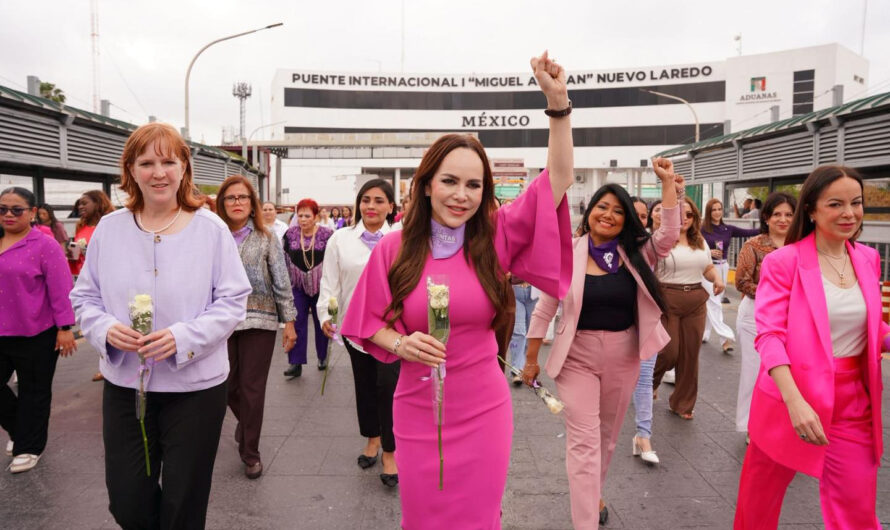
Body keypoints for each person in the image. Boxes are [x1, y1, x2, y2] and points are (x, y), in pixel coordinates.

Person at [340, 51, 573, 529]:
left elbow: (558, 180)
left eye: (473, 184)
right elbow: (366, 321)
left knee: (479, 517)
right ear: (426, 185)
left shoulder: (495, 236)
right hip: (415, 408)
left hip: (484, 408)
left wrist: (558, 106)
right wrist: (401, 343)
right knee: (422, 517)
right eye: (449, 181)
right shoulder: (394, 248)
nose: (461, 195)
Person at [70, 122, 251, 529]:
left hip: (195, 389)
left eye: (168, 162)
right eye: (146, 163)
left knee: (184, 501)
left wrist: (182, 337)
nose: (158, 173)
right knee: (127, 501)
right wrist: (104, 329)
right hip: (126, 385)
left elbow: (232, 300)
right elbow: (84, 297)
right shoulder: (110, 229)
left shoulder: (210, 228)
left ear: (184, 167)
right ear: (130, 171)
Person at [523, 162, 683, 529]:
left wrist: (667, 185)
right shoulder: (569, 252)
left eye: (617, 210)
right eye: (602, 206)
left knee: (607, 438)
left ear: (627, 220)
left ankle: (592, 492)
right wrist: (531, 359)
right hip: (576, 357)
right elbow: (545, 307)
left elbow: (669, 233)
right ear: (589, 211)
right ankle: (586, 522)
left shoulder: (637, 252)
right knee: (583, 441)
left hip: (624, 355)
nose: (608, 215)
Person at [734, 166, 889, 529]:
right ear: (812, 210)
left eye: (856, 203)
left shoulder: (868, 259)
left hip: (854, 400)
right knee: (758, 506)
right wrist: (795, 402)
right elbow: (769, 335)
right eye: (835, 204)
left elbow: (871, 328)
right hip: (790, 395)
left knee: (857, 508)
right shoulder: (783, 262)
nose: (849, 213)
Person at [317, 179, 400, 487]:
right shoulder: (341, 239)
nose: (371, 206)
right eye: (366, 200)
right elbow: (330, 283)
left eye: (379, 200)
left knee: (388, 388)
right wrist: (327, 315)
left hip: (392, 330)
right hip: (355, 328)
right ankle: (372, 438)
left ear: (390, 207)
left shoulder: (401, 239)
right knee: (364, 385)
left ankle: (390, 450)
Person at [217, 176, 297, 479]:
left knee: (252, 389)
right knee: (225, 386)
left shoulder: (266, 238)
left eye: (243, 197)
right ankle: (246, 422)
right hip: (221, 322)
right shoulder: (214, 236)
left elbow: (281, 281)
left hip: (260, 320)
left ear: (252, 204)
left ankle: (251, 453)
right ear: (222, 204)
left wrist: (289, 322)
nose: (237, 202)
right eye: (231, 198)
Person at [0, 187, 77, 473]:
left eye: (16, 209)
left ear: (32, 212)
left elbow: (61, 288)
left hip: (36, 331)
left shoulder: (44, 245)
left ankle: (29, 447)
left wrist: (65, 327)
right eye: (2, 209)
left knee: (34, 391)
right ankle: (20, 431)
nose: (8, 214)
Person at [652, 197, 725, 420]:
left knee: (690, 355)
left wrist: (717, 279)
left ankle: (682, 404)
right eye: (679, 214)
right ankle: (647, 384)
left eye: (689, 214)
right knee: (668, 352)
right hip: (667, 299)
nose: (684, 218)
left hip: (695, 300)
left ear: (695, 218)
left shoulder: (699, 241)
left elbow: (707, 267)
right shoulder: (661, 239)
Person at [733, 192, 796, 439]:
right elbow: (741, 282)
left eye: (789, 214)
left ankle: (781, 425)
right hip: (755, 316)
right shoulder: (754, 245)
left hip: (792, 318)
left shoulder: (802, 245)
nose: (783, 219)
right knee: (755, 371)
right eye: (777, 214)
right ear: (766, 217)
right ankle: (751, 426)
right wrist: (776, 295)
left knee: (787, 373)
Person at [627, 195, 661, 465]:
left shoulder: (650, 246)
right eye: (633, 215)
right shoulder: (606, 245)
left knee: (645, 378)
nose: (639, 221)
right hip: (614, 326)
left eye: (643, 216)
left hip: (647, 323)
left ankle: (643, 435)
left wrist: (673, 189)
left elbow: (671, 229)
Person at [700, 198, 760, 352]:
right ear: (708, 212)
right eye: (713, 210)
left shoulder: (728, 229)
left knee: (713, 302)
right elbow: (693, 246)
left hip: (724, 267)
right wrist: (708, 252)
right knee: (715, 303)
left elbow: (750, 232)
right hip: (708, 269)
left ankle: (705, 334)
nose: (717, 212)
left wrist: (769, 227)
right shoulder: (702, 229)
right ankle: (725, 338)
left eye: (719, 209)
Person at [283, 199, 334, 377]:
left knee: (322, 321)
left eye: (307, 216)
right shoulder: (290, 234)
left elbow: (333, 259)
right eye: (300, 216)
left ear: (316, 217)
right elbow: (284, 259)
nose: (303, 219)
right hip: (298, 286)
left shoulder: (328, 235)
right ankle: (295, 362)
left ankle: (322, 357)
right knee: (297, 322)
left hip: (321, 286)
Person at [69, 190, 114, 277]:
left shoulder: (109, 225)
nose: (80, 207)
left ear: (97, 204)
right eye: (79, 204)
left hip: (105, 275)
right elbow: (80, 255)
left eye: (84, 203)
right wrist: (71, 255)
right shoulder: (80, 226)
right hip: (84, 276)